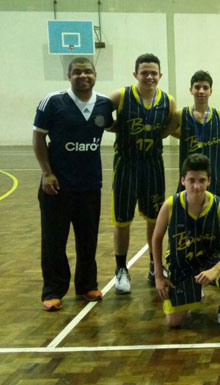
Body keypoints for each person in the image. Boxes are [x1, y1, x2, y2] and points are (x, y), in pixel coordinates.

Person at [33, 57, 114, 311]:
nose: (83, 76)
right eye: (77, 72)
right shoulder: (53, 102)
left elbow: (118, 126)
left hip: (90, 185)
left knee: (87, 239)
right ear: (69, 76)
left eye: (87, 71)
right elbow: (38, 138)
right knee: (54, 240)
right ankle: (53, 290)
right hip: (57, 186)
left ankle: (87, 285)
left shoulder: (103, 104)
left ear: (95, 74)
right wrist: (47, 173)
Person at [152, 154, 220, 331]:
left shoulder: (219, 205)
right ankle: (194, 290)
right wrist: (159, 275)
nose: (196, 186)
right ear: (183, 180)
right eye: (191, 180)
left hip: (211, 258)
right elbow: (157, 238)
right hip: (182, 262)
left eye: (202, 180)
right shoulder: (171, 205)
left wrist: (216, 269)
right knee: (173, 322)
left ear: (209, 181)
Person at [109, 53, 177, 294]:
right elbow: (104, 117)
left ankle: (154, 265)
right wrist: (117, 128)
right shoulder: (121, 96)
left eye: (153, 73)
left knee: (155, 219)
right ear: (135, 74)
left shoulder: (168, 100)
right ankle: (121, 269)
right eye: (144, 72)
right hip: (126, 164)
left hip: (152, 165)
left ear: (160, 75)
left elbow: (170, 126)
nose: (149, 76)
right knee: (122, 220)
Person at [171, 70, 220, 196]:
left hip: (213, 177)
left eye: (205, 88)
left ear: (210, 91)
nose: (201, 91)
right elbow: (164, 132)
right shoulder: (181, 115)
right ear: (191, 89)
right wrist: (183, 136)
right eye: (197, 87)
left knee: (213, 209)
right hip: (189, 176)